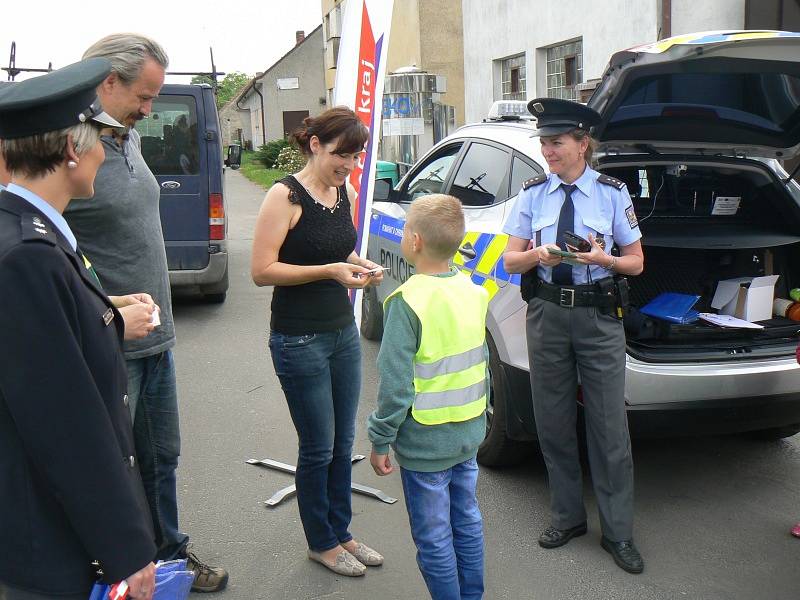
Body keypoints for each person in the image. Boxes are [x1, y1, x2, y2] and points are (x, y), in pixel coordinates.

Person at [63, 34, 228, 592]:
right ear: (108, 81)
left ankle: (168, 559)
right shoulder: (69, 147)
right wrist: (102, 314)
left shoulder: (126, 137)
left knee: (161, 460)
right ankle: (111, 572)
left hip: (155, 339)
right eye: (145, 94)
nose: (150, 109)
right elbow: (45, 254)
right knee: (111, 468)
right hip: (107, 341)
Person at [0, 57, 156, 600]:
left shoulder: (29, 235)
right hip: (45, 543)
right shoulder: (27, 256)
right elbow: (65, 421)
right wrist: (126, 548)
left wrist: (105, 315)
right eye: (100, 140)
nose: (104, 153)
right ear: (71, 151)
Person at [501, 98, 646, 574]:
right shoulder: (532, 193)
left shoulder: (611, 192)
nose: (547, 151)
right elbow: (510, 260)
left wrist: (604, 261)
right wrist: (537, 255)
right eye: (543, 142)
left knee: (608, 427)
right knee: (553, 420)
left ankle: (618, 532)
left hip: (599, 319)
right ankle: (567, 517)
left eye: (556, 142)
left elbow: (636, 262)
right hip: (546, 315)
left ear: (583, 144)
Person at [251, 107, 384, 577]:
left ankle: (341, 531)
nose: (348, 165)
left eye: (355, 156)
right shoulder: (284, 195)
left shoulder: (339, 190)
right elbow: (262, 270)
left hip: (341, 333)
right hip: (298, 337)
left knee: (342, 441)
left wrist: (359, 263)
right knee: (318, 445)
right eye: (340, 154)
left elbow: (335, 248)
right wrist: (330, 271)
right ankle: (321, 543)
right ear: (315, 145)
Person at [368, 194, 488, 600]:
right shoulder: (474, 291)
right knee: (467, 521)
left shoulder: (405, 302)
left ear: (415, 241)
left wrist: (381, 439)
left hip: (425, 443)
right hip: (468, 433)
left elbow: (396, 385)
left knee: (434, 537)